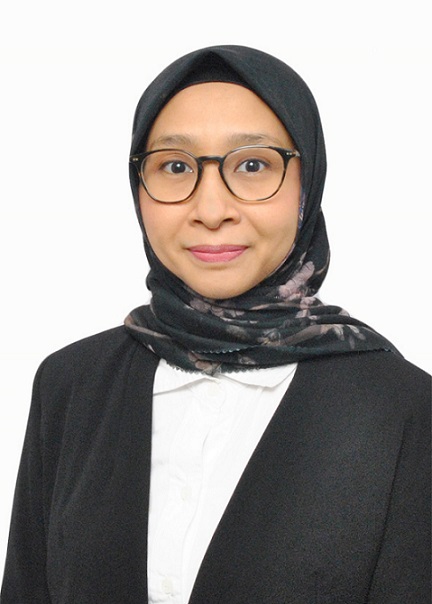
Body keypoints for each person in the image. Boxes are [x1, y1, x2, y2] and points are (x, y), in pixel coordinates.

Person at [1, 45, 430, 604]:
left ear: (308, 183)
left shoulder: (403, 412)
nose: (209, 209)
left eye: (252, 165)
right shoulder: (71, 385)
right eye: (175, 166)